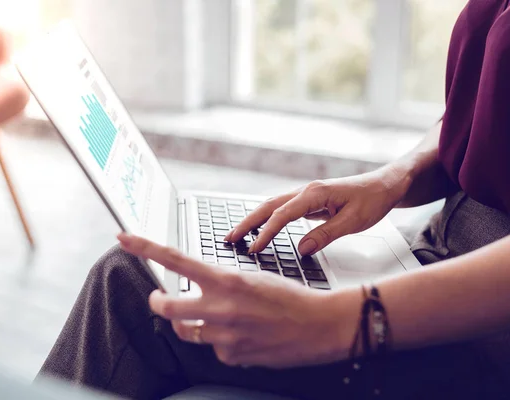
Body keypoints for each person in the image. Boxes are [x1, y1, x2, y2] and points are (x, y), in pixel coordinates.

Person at [39, 1, 510, 398]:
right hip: (438, 248)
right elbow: (474, 112)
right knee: (195, 260)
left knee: (131, 283)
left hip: (486, 325)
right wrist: (392, 180)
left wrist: (339, 320)